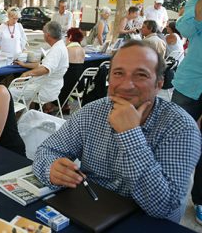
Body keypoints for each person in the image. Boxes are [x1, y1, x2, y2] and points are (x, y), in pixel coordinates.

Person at [33, 40, 201, 223]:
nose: (127, 85)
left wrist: (130, 134)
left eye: (141, 75)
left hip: (146, 223)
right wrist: (51, 169)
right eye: (118, 73)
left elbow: (162, 207)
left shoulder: (181, 127)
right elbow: (47, 150)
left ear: (158, 84)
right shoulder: (92, 112)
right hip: (92, 212)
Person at [172, 0, 202, 225]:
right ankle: (168, 192)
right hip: (190, 84)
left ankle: (200, 199)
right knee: (174, 140)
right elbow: (187, 29)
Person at [13, 21, 69, 112]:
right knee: (19, 89)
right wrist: (24, 64)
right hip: (51, 87)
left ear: (47, 35)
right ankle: (23, 115)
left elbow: (45, 68)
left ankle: (9, 119)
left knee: (10, 91)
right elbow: (42, 64)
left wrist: (27, 73)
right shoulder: (60, 46)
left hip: (44, 89)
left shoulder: (57, 50)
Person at [57, 27, 86, 114]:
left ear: (70, 37)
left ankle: (52, 106)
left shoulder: (67, 50)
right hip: (78, 82)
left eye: (66, 36)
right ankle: (65, 105)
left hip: (66, 84)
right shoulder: (82, 50)